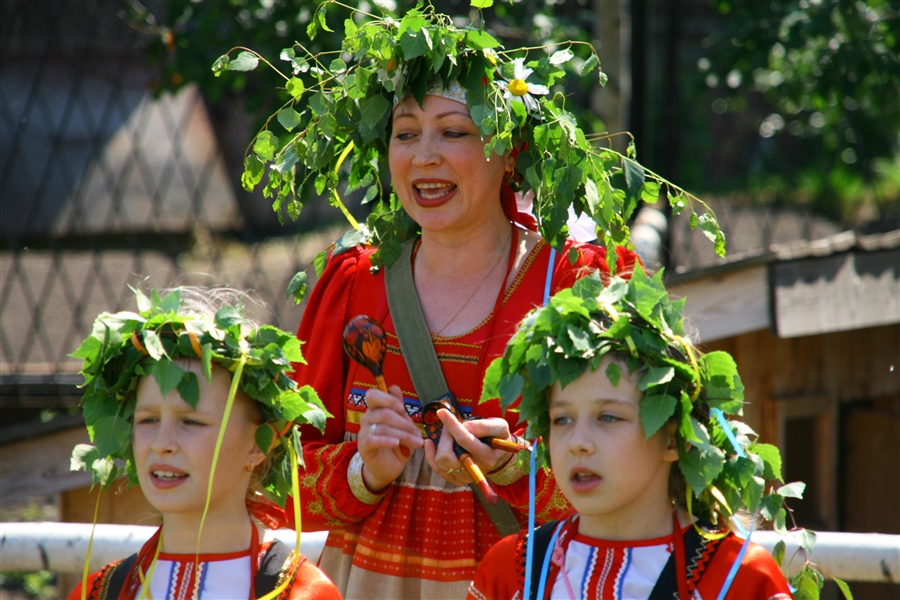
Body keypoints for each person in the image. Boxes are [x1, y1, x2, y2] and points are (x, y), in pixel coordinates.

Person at [277, 7, 644, 599]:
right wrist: (363, 469)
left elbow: (646, 461)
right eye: (404, 133)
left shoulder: (579, 283)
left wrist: (515, 468)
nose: (423, 156)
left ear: (510, 149)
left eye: (454, 131)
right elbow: (278, 467)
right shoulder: (354, 281)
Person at [468, 267, 798, 599]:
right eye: (562, 419)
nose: (578, 443)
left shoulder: (738, 580)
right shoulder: (511, 574)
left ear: (673, 438)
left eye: (608, 417)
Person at [67, 287, 341, 600]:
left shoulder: (301, 593)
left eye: (192, 422)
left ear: (257, 445)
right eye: (147, 420)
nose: (161, 443)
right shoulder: (101, 592)